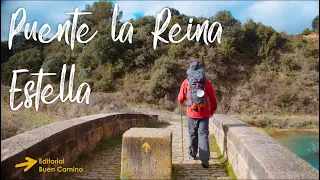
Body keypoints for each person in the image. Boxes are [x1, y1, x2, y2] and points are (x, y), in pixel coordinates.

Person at [177, 61, 217, 168]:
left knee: (192, 134)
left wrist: (182, 101)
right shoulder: (206, 82)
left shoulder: (186, 82)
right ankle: (204, 159)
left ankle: (192, 154)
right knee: (203, 135)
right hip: (204, 114)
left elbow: (180, 98)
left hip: (191, 113)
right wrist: (211, 111)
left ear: (189, 71)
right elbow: (213, 99)